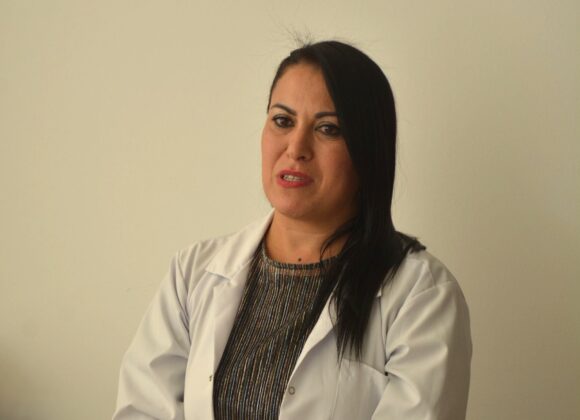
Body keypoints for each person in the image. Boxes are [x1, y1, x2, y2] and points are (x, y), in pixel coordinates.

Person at [113, 40, 472, 420]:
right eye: (283, 121)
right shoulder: (192, 273)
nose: (296, 147)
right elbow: (142, 410)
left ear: (367, 151)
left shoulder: (421, 295)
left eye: (328, 129)